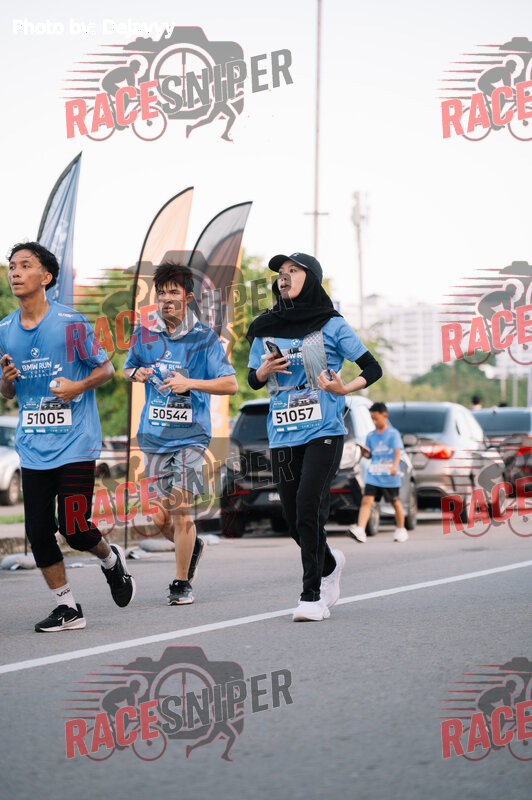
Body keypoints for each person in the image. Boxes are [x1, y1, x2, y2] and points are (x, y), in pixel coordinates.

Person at [0, 242, 135, 632]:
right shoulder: (5, 331)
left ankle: (110, 560)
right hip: (32, 446)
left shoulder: (70, 322)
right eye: (12, 266)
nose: (15, 272)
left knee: (74, 529)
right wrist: (6, 381)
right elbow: (7, 392)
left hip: (75, 442)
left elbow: (105, 370)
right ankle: (67, 607)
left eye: (25, 265)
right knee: (38, 532)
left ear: (46, 277)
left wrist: (77, 387)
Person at [246, 252, 382, 622]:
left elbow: (372, 367)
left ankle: (312, 596)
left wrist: (343, 388)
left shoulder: (331, 324)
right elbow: (252, 379)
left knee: (308, 506)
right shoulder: (265, 326)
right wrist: (263, 371)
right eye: (280, 272)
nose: (284, 277)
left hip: (324, 431)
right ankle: (330, 562)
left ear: (312, 279)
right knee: (293, 520)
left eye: (293, 270)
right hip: (282, 434)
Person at [124, 263, 237, 605]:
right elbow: (128, 368)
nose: (166, 299)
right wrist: (137, 373)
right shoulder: (145, 333)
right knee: (158, 516)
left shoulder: (205, 339)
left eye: (173, 292)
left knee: (181, 507)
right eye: (161, 293)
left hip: (192, 436)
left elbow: (230, 384)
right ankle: (192, 546)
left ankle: (180, 582)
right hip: (154, 435)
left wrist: (191, 383)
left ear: (187, 297)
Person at [349, 402, 407, 543]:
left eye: (376, 418)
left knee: (394, 502)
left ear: (384, 416)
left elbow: (397, 452)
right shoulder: (371, 436)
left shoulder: (393, 434)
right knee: (366, 500)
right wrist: (364, 453)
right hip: (374, 475)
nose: (374, 422)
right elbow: (370, 454)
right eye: (372, 419)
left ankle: (401, 529)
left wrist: (394, 467)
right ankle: (361, 530)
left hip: (389, 475)